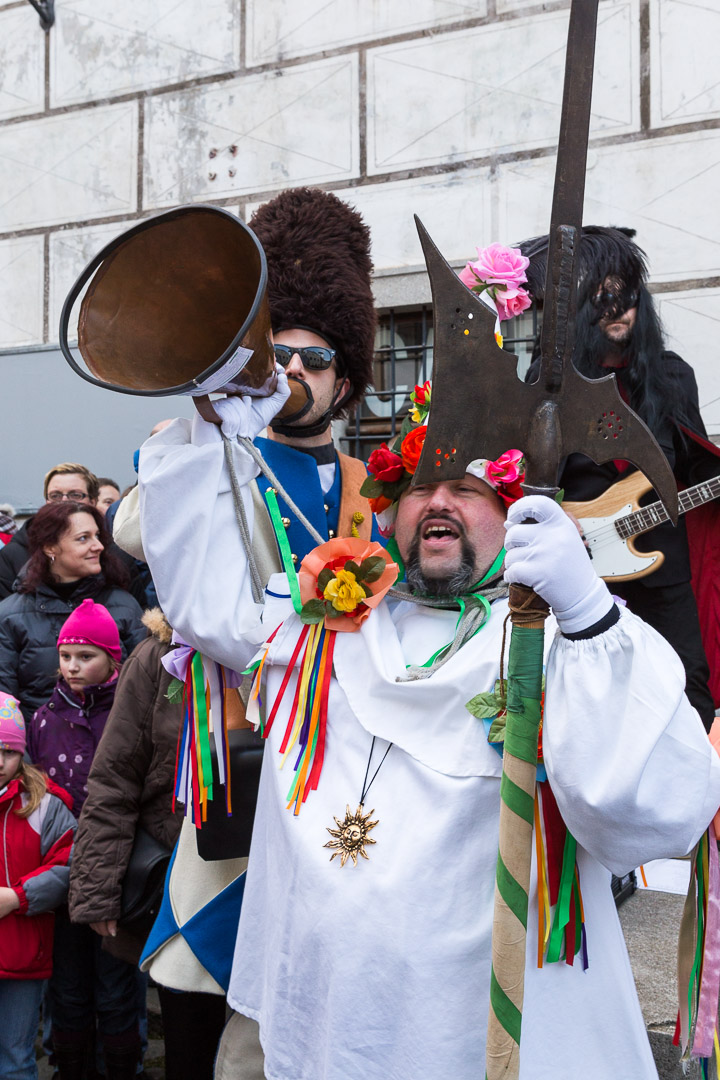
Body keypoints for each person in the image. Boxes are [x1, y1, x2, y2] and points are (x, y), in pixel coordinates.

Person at [137, 377, 720, 1080]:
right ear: (391, 511)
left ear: (515, 514)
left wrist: (590, 615)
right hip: (331, 1019)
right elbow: (207, 605)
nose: (438, 500)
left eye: (468, 488)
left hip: (473, 1035)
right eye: (418, 484)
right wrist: (211, 438)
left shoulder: (559, 638)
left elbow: (654, 817)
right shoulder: (329, 618)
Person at [112, 187, 379, 1079]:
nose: (295, 368)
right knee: (201, 973)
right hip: (235, 759)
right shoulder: (212, 440)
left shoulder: (367, 483)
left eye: (317, 355)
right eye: (280, 350)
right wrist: (208, 432)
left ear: (347, 378)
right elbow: (135, 535)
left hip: (338, 764)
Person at [520, 226, 720, 730]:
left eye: (626, 294)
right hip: (584, 570)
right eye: (600, 297)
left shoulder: (672, 375)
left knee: (687, 690)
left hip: (666, 571)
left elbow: (695, 465)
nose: (617, 309)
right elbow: (525, 473)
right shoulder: (550, 377)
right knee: (593, 702)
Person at [27, 601, 141, 1080]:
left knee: (116, 985)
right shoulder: (43, 720)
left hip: (115, 868)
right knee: (68, 986)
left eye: (86, 656)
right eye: (67, 656)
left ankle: (123, 1069)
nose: (73, 667)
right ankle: (69, 1069)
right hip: (62, 868)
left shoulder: (127, 714)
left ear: (112, 659)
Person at [67, 606, 183, 964]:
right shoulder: (160, 656)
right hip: (173, 877)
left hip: (262, 874)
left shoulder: (294, 646)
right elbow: (115, 779)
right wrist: (100, 892)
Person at [0, 502, 146, 723]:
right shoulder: (11, 615)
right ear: (50, 547)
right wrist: (26, 756)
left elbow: (144, 690)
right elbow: (5, 703)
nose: (97, 546)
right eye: (83, 538)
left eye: (97, 536)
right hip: (38, 750)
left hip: (111, 749)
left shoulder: (124, 606)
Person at [0, 691, 76, 1080]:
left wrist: (18, 896)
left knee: (15, 1057)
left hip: (22, 951)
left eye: (7, 751)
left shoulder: (44, 804)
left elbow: (67, 862)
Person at [0, 464, 100, 601]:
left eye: (75, 495)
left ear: (93, 502)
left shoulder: (112, 552)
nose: (64, 501)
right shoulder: (12, 555)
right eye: (55, 496)